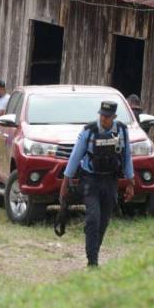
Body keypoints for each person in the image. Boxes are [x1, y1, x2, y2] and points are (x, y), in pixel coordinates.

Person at [60, 101, 134, 267]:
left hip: (110, 181)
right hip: (91, 181)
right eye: (101, 115)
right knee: (93, 218)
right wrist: (65, 182)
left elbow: (127, 156)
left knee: (103, 221)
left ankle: (94, 249)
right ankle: (92, 261)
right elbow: (75, 156)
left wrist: (131, 183)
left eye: (107, 117)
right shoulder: (89, 131)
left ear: (114, 117)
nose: (103, 119)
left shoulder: (121, 131)